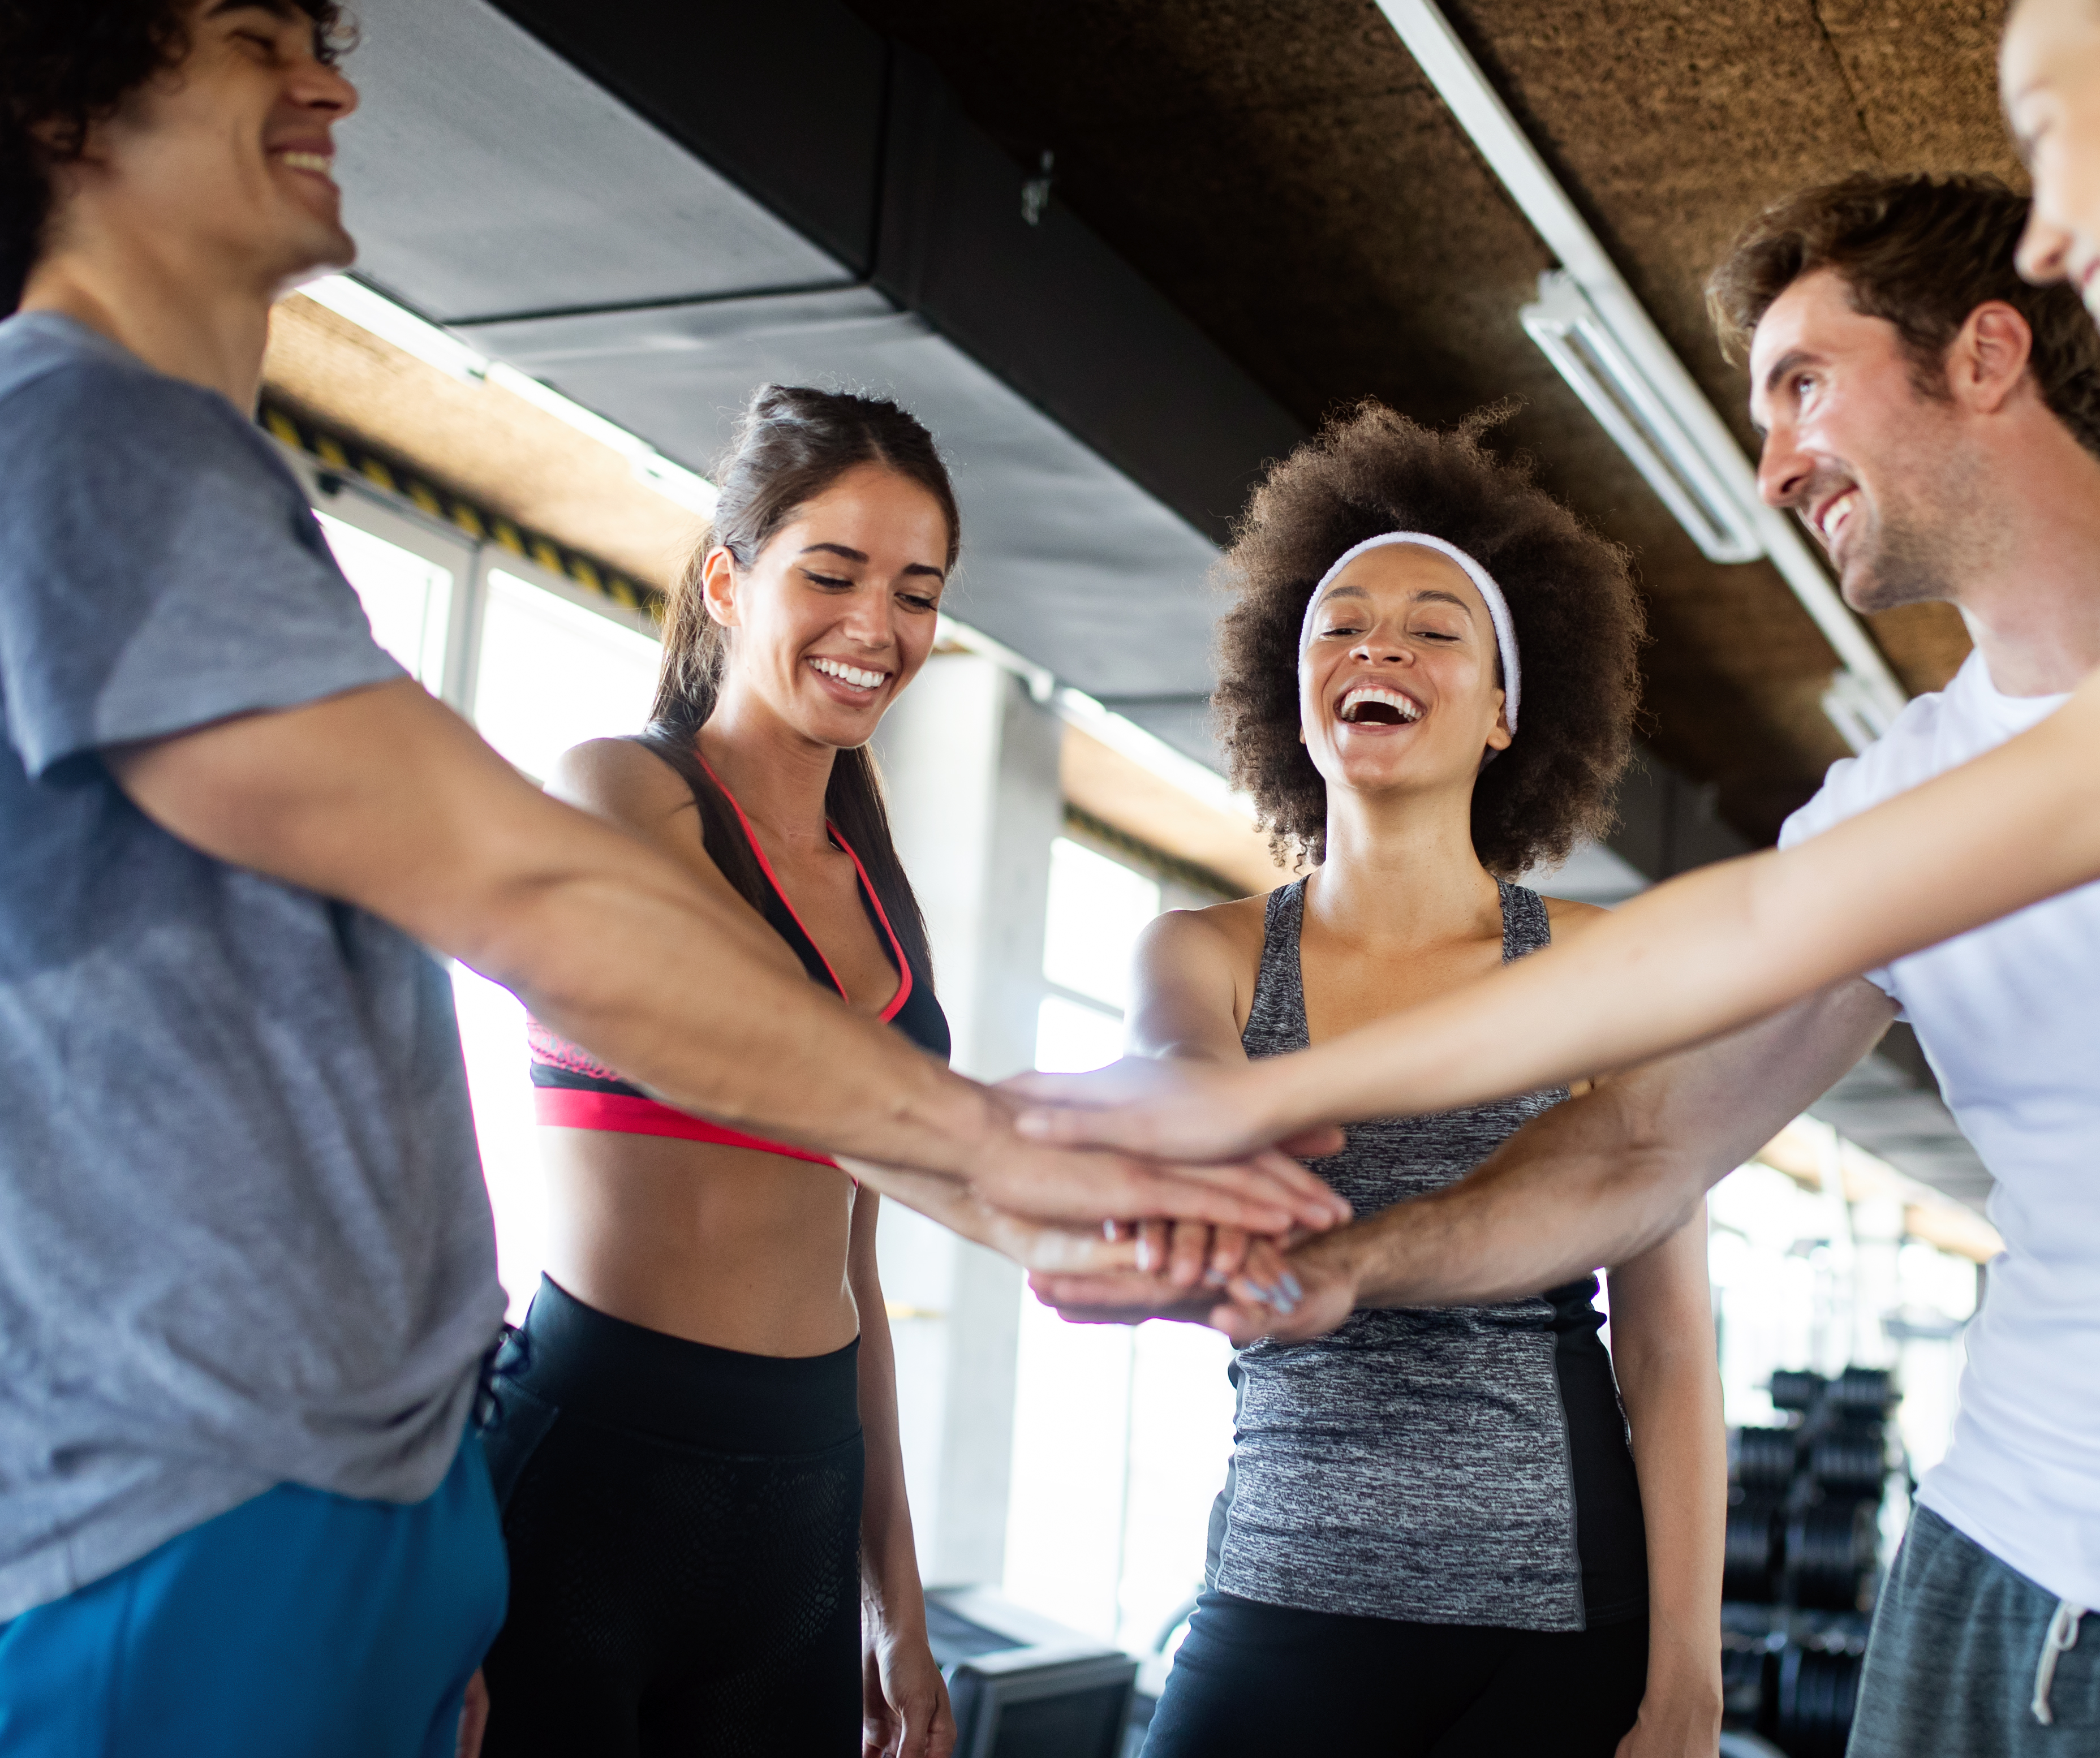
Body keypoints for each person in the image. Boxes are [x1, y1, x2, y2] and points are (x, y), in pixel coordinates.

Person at [1015, 2, 2100, 1752]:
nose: (1771, 458)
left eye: (1800, 381)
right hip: (2022, 1568)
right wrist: (1331, 1227)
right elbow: (1723, 978)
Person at [0, 5, 1340, 1752]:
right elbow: (547, 903)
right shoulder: (80, 442)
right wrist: (1003, 1154)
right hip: (207, 1507)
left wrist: (438, 1537)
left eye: (918, 590)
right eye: (258, 39)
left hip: (380, 1509)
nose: (331, 81)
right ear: (58, 95)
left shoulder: (195, 484)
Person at [1125, 406, 1724, 1758]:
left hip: (1556, 1627)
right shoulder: (1205, 955)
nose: (1379, 644)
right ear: (1297, 690)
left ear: (1510, 708)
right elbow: (1185, 1093)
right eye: (1339, 623)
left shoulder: (1597, 968)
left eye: (1436, 628)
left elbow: (1673, 1346)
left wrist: (1690, 1679)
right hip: (1282, 1593)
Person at [478, 386, 975, 1756]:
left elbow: (854, 1271)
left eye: (918, 592)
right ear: (725, 580)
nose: (878, 627)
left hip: (802, 1521)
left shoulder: (883, 905)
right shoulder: (621, 794)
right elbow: (737, 1007)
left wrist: (897, 1608)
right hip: (593, 1476)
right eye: (832, 573)